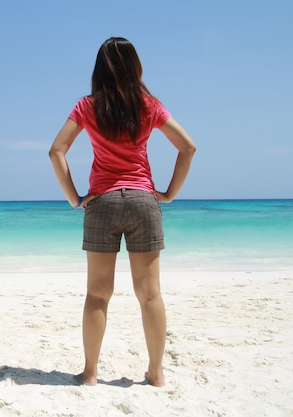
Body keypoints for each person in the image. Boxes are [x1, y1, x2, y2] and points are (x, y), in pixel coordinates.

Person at [49, 37, 196, 387]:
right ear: (135, 67)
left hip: (102, 203)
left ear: (99, 69)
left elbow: (57, 151)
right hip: (144, 201)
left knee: (98, 294)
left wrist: (74, 198)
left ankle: (90, 373)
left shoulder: (87, 106)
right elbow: (188, 147)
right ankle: (157, 373)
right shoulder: (149, 105)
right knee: (150, 294)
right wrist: (170, 193)